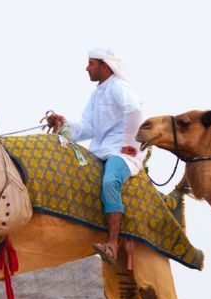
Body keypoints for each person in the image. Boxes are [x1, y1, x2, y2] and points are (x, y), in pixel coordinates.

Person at [44, 47, 145, 265]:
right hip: (99, 151)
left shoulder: (119, 87)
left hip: (121, 153)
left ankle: (112, 243)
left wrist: (128, 143)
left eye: (91, 63)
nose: (86, 68)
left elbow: (135, 109)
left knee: (110, 182)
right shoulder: (96, 94)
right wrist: (64, 125)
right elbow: (87, 128)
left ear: (105, 66)